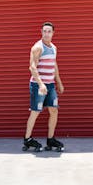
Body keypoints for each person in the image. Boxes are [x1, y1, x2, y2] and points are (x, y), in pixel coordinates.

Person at [23, 21, 65, 152]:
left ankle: (50, 139)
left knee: (54, 110)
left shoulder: (54, 48)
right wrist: (41, 84)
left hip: (50, 85)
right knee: (35, 112)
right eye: (44, 31)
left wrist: (59, 82)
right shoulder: (37, 47)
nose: (47, 33)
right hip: (38, 85)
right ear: (41, 32)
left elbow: (54, 64)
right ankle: (27, 139)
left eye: (49, 31)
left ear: (53, 33)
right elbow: (32, 67)